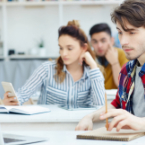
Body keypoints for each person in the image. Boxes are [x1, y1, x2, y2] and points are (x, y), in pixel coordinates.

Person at [75, 0, 145, 131]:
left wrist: (139, 123)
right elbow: (117, 104)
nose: (123, 41)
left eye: (131, 32)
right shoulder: (128, 69)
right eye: (120, 32)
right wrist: (89, 117)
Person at [2, 20, 105, 109]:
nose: (64, 53)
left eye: (69, 48)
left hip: (80, 127)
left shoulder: (92, 73)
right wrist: (12, 101)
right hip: (47, 126)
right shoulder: (47, 69)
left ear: (83, 48)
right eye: (61, 48)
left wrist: (93, 66)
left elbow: (100, 107)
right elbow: (23, 94)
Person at [90, 23, 128, 89]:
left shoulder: (122, 54)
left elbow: (123, 86)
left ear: (111, 40)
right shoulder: (89, 57)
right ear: (91, 43)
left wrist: (115, 63)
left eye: (103, 41)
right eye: (95, 42)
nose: (99, 46)